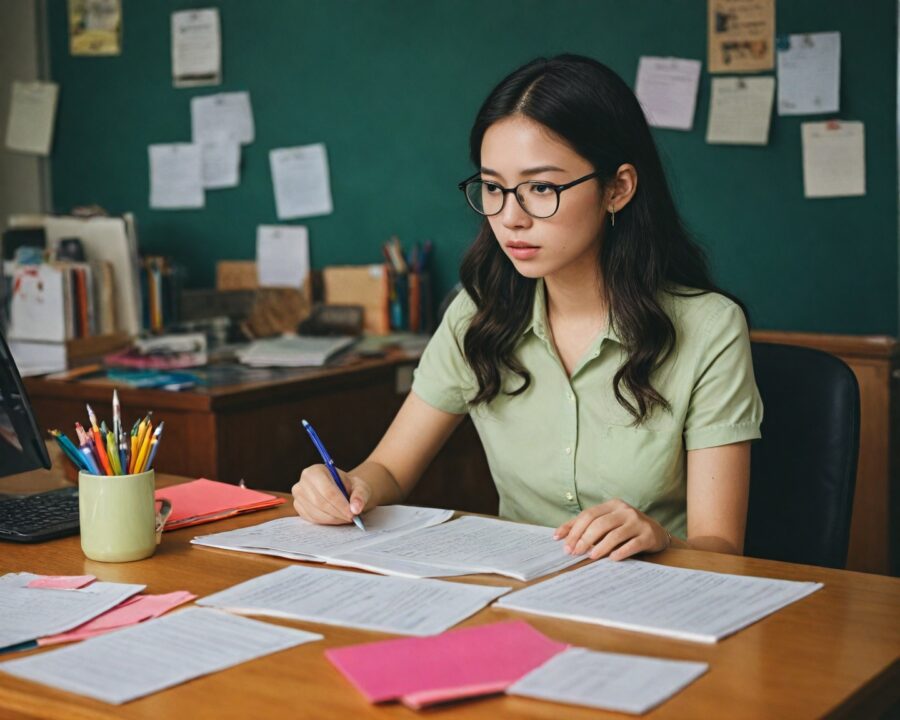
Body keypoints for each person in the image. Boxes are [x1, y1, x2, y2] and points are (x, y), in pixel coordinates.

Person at [292, 54, 762, 561]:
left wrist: (660, 539)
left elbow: (723, 550)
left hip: (656, 605)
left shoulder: (710, 327)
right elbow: (388, 471)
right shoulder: (477, 315)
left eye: (541, 188)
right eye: (494, 188)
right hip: (517, 600)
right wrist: (342, 487)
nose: (510, 217)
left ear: (618, 188)